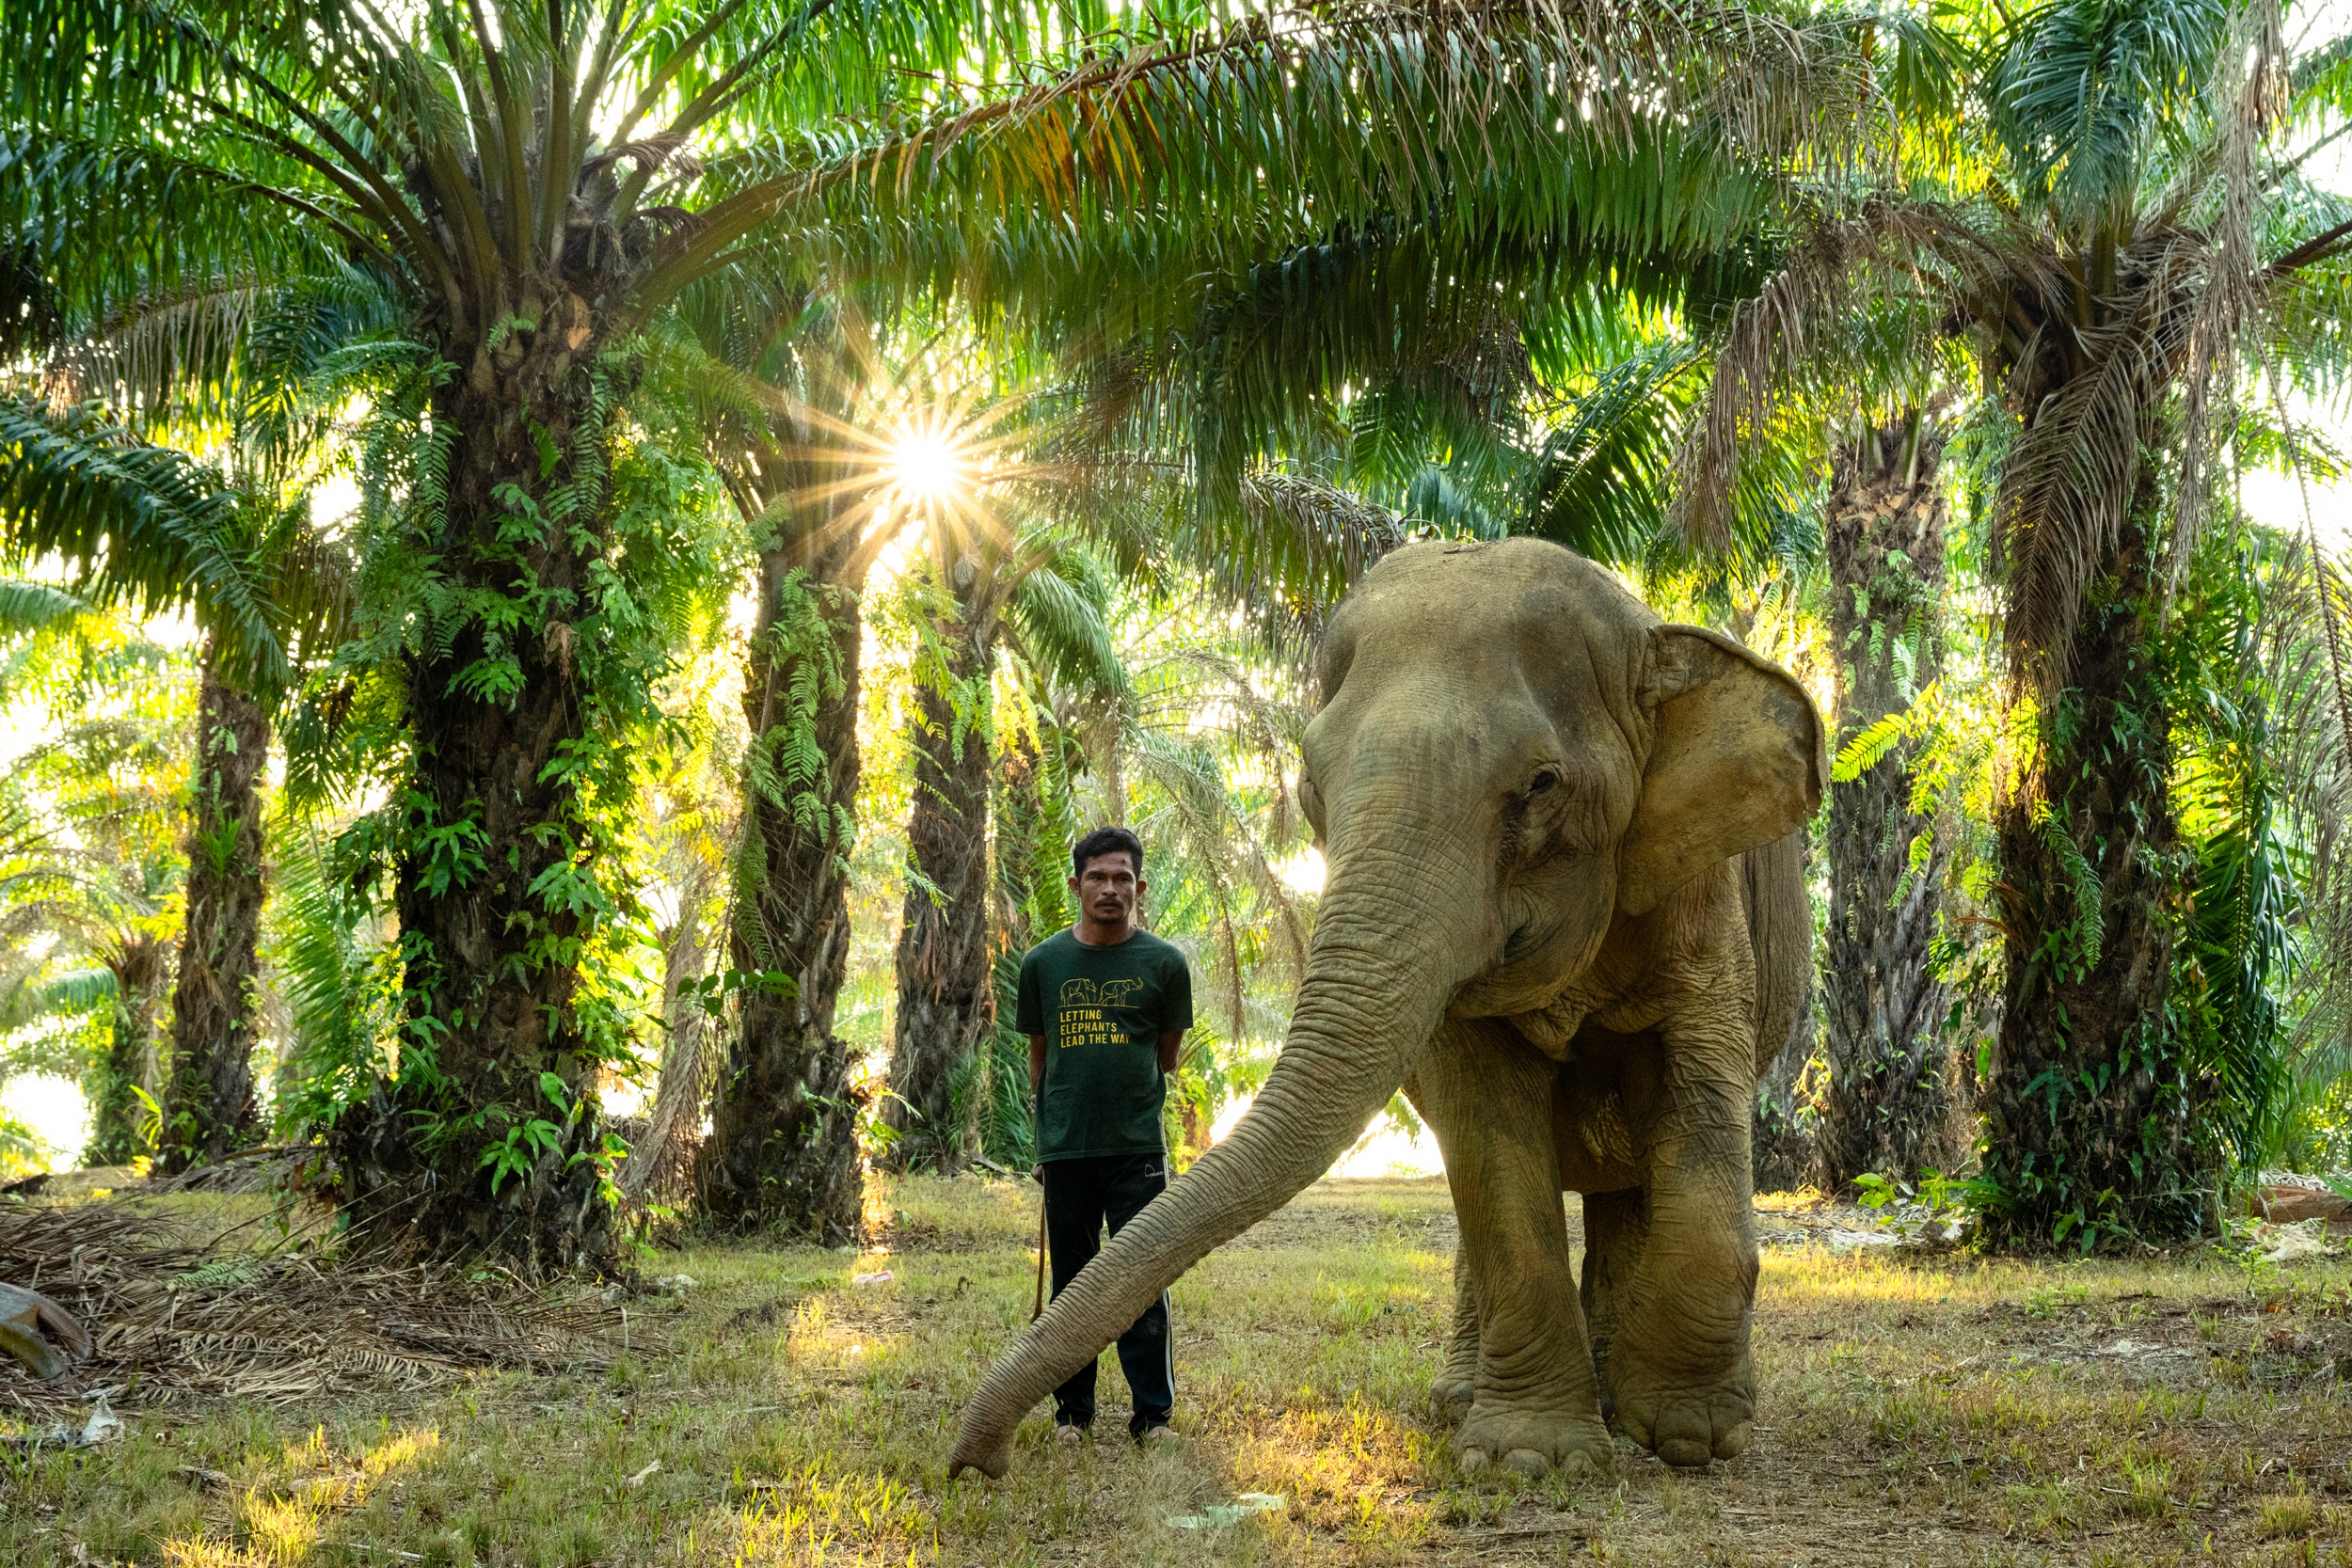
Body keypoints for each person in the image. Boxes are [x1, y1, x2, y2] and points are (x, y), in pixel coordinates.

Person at [1015, 824, 1194, 1449]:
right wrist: (1043, 1146)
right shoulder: (1042, 963)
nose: (1110, 889)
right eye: (1097, 876)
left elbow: (1166, 1057)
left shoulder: (1165, 964)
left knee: (1144, 1279)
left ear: (1139, 886)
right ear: (1076, 885)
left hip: (1137, 1149)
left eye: (1122, 877)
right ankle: (1072, 1414)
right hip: (1065, 1150)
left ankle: (1153, 1417)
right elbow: (1041, 1061)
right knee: (1073, 1282)